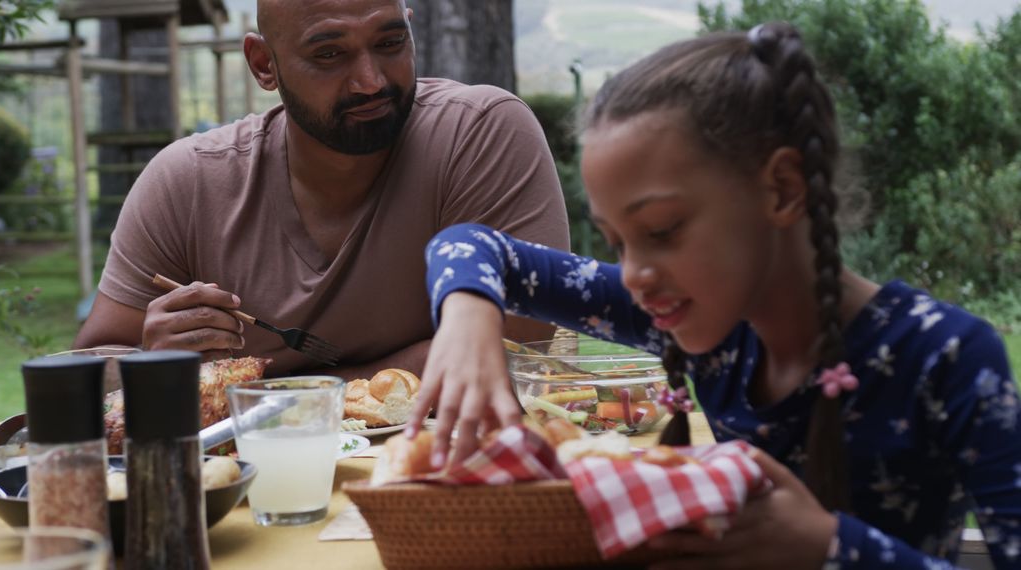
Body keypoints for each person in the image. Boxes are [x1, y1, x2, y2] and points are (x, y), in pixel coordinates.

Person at [405, 22, 1020, 569]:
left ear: (781, 189)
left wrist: (829, 546)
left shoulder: (948, 357)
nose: (636, 274)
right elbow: (470, 246)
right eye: (618, 242)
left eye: (663, 231)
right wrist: (466, 316)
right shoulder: (704, 316)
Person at [73, 0, 569, 378]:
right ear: (264, 64)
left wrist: (285, 404)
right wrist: (149, 362)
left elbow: (513, 345)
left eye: (390, 43)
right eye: (329, 54)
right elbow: (86, 368)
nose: (371, 81)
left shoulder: (478, 134)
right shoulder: (189, 182)